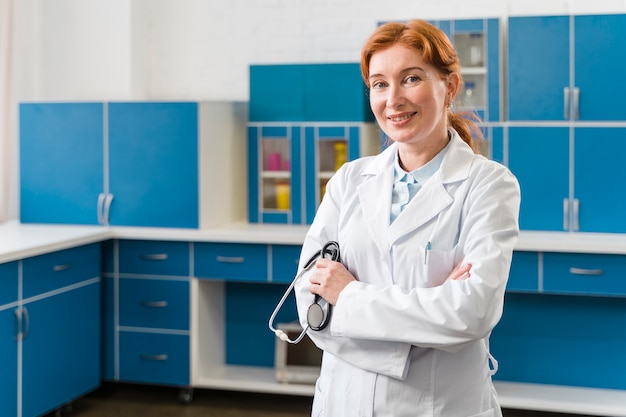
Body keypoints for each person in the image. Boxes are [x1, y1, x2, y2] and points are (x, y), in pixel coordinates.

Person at [293, 19, 521, 417]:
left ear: (449, 87)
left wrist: (347, 295)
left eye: (411, 78)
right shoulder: (349, 180)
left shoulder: (488, 185)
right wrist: (425, 322)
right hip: (343, 403)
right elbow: (311, 310)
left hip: (439, 406)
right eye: (379, 84)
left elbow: (471, 314)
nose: (393, 99)